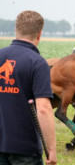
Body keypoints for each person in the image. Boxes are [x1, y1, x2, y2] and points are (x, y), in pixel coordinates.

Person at [0, 11, 57, 164]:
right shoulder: (37, 63)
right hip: (25, 149)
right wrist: (51, 149)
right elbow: (43, 109)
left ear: (16, 30)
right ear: (40, 34)